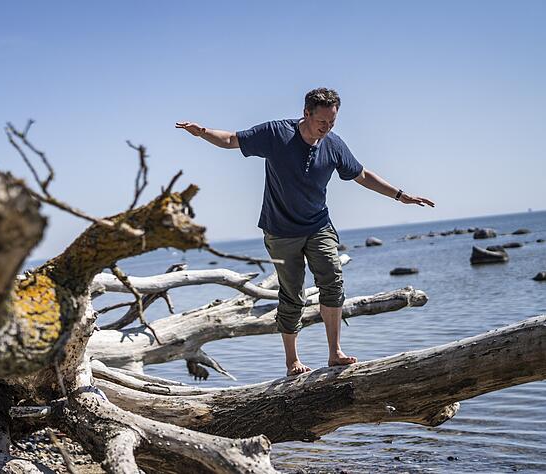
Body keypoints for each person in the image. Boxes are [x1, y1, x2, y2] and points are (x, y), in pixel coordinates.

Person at [176, 88, 435, 376]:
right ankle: (292, 361)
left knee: (333, 280)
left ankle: (335, 353)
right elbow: (231, 140)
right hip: (280, 231)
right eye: (322, 121)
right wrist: (203, 132)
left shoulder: (334, 145)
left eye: (332, 122)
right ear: (306, 114)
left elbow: (361, 175)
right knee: (292, 294)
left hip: (318, 225)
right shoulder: (277, 134)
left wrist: (400, 195)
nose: (327, 127)